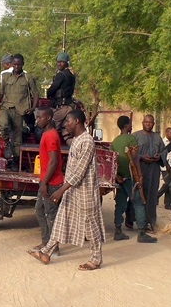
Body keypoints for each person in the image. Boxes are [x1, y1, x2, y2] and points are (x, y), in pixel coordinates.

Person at [27, 110, 106, 271]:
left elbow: (80, 171)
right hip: (72, 189)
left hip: (84, 191)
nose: (65, 124)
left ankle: (96, 259)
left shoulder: (87, 141)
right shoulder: (76, 140)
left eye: (68, 121)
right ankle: (46, 252)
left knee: (91, 226)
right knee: (61, 220)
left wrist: (61, 189)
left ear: (77, 121)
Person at [110, 115, 157, 243]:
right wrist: (140, 175)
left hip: (120, 178)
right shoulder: (132, 138)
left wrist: (117, 176)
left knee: (120, 204)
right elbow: (135, 159)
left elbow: (113, 161)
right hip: (132, 177)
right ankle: (141, 233)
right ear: (126, 126)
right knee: (139, 203)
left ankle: (118, 231)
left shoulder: (115, 141)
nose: (131, 126)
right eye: (130, 124)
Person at [0, 53, 39, 169]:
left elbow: (35, 93)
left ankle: (15, 161)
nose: (16, 66)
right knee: (4, 125)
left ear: (23, 64)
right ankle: (6, 143)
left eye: (19, 64)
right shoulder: (5, 77)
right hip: (6, 107)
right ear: (12, 64)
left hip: (20, 111)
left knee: (17, 140)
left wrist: (33, 108)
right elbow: (1, 93)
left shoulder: (27, 77)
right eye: (14, 64)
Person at [32, 107, 64, 253]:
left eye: (40, 117)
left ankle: (53, 247)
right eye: (37, 117)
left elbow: (53, 161)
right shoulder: (47, 134)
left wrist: (44, 183)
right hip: (45, 180)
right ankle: (46, 241)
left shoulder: (50, 135)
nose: (38, 120)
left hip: (51, 182)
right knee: (39, 210)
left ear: (49, 118)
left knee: (51, 214)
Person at [133, 115, 166, 233]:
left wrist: (159, 156)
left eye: (150, 122)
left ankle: (150, 221)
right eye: (146, 122)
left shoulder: (157, 137)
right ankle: (137, 221)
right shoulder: (135, 136)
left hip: (154, 170)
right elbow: (131, 153)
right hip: (140, 170)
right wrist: (142, 157)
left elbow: (164, 151)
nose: (148, 124)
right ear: (142, 123)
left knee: (152, 195)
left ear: (153, 124)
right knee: (139, 195)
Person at [46, 52, 76, 144]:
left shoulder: (61, 74)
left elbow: (52, 89)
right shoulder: (72, 75)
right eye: (58, 62)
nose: (59, 64)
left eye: (62, 62)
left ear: (67, 63)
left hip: (61, 108)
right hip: (69, 107)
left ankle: (50, 150)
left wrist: (49, 95)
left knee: (48, 127)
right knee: (66, 131)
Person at [157, 127, 171, 209]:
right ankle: (157, 195)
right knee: (167, 184)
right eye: (170, 133)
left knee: (170, 185)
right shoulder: (162, 142)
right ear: (166, 133)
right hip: (164, 167)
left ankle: (167, 203)